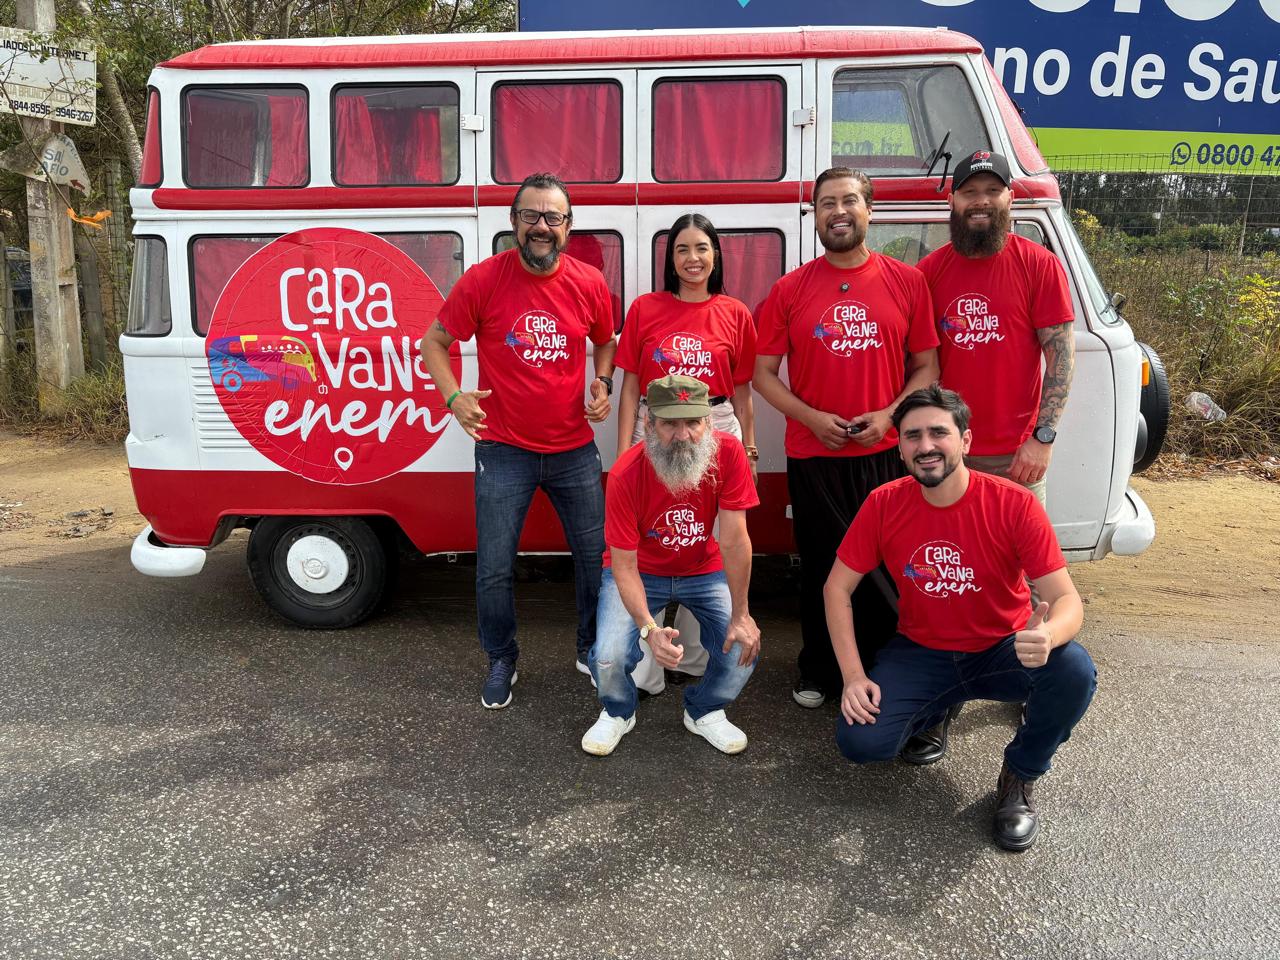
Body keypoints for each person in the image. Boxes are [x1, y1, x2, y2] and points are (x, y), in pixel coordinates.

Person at [823, 385, 1096, 851]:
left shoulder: (1014, 504)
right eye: (912, 436)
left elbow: (1067, 599)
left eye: (938, 433)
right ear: (901, 446)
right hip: (923, 651)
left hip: (1002, 650)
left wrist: (1048, 635)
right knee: (861, 744)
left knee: (1074, 672)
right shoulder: (884, 503)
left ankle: (1020, 776)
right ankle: (936, 707)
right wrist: (852, 677)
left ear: (965, 441)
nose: (925, 446)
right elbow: (837, 588)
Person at [419, 172, 617, 710]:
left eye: (553, 217)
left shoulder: (589, 283)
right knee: (495, 565)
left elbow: (605, 341)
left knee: (593, 555)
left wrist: (603, 381)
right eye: (531, 215)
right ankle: (502, 658)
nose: (541, 227)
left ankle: (590, 647)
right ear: (513, 221)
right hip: (503, 448)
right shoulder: (484, 280)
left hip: (574, 447)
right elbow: (434, 342)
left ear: (568, 227)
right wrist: (453, 396)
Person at [753, 166, 940, 710]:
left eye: (849, 201)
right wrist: (810, 417)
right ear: (814, 215)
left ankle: (885, 664)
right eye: (827, 203)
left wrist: (890, 415)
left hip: (884, 452)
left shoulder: (907, 282)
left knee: (885, 566)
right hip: (815, 453)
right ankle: (819, 668)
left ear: (870, 210)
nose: (838, 211)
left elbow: (926, 366)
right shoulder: (790, 288)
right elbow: (764, 374)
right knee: (821, 564)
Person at [614, 213, 758, 695]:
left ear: (715, 255)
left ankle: (696, 660)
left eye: (701, 248)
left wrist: (749, 443)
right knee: (648, 534)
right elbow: (630, 385)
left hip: (713, 421)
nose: (692, 258)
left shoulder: (735, 312)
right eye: (681, 249)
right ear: (670, 259)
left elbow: (742, 390)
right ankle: (648, 664)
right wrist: (623, 451)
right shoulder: (646, 308)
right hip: (655, 424)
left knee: (713, 539)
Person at [581, 375, 761, 757]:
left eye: (692, 422)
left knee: (743, 646)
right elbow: (624, 566)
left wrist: (742, 614)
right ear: (649, 424)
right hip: (640, 571)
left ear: (708, 423)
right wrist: (649, 630)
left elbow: (733, 539)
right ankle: (618, 711)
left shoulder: (729, 453)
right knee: (608, 655)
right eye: (670, 424)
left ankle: (704, 710)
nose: (683, 435)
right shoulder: (626, 473)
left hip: (702, 567)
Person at [916, 150, 1075, 507]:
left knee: (1017, 560)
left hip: (1016, 458)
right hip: (946, 448)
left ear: (1010, 198)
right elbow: (918, 364)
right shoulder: (928, 272)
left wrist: (1042, 439)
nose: (981, 201)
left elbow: (1061, 359)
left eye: (992, 190)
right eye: (970, 192)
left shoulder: (1039, 266)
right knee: (950, 554)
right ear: (952, 200)